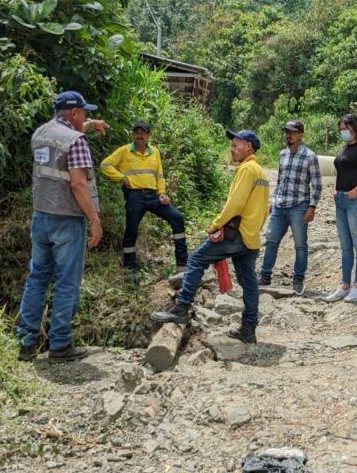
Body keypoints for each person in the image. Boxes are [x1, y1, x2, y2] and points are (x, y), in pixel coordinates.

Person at [150, 129, 269, 344]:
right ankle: (249, 328)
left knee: (196, 259)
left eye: (236, 145)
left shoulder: (247, 169)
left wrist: (215, 224)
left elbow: (236, 204)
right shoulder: (260, 171)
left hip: (235, 234)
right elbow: (262, 208)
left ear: (248, 147)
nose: (232, 149)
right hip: (250, 237)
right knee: (249, 280)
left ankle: (182, 308)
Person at [17, 90, 108, 363]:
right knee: (67, 282)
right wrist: (94, 219)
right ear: (75, 113)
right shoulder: (77, 141)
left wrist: (90, 126)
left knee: (37, 278)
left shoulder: (41, 133)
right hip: (67, 219)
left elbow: (63, 136)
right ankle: (59, 344)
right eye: (85, 114)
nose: (87, 118)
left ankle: (26, 343)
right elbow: (78, 183)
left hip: (41, 216)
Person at [100, 121, 187, 277]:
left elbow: (159, 175)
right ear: (134, 134)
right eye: (137, 132)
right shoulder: (125, 151)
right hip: (135, 196)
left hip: (153, 196)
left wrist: (162, 193)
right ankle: (130, 269)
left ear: (149, 135)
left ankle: (182, 264)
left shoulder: (155, 152)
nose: (140, 135)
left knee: (177, 218)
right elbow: (105, 165)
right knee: (131, 231)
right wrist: (121, 178)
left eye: (143, 132)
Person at [258, 120, 321, 296]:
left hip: (299, 206)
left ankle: (298, 279)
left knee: (300, 245)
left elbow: (317, 185)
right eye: (287, 132)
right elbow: (280, 180)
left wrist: (312, 207)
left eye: (292, 132)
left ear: (301, 135)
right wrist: (274, 200)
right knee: (271, 241)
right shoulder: (282, 154)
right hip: (280, 205)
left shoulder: (310, 156)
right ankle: (265, 276)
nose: (289, 135)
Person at [324, 114, 357, 304]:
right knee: (345, 246)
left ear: (354, 127)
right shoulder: (345, 148)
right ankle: (345, 285)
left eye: (345, 128)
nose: (343, 132)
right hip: (341, 200)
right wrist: (337, 190)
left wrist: (356, 191)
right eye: (340, 129)